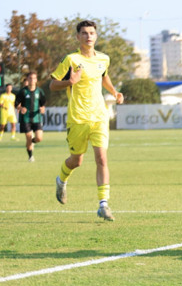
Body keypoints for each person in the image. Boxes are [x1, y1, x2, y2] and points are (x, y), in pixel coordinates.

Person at [50, 20, 125, 220]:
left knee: (102, 158)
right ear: (78, 37)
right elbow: (52, 85)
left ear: (96, 36)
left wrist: (115, 92)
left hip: (99, 116)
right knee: (77, 161)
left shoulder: (104, 59)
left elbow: (104, 77)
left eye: (91, 33)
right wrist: (69, 81)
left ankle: (103, 204)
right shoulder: (71, 59)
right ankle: (61, 180)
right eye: (84, 33)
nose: (88, 36)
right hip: (78, 118)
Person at [16, 71, 47, 162]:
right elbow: (16, 104)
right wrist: (21, 108)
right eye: (30, 78)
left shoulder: (39, 91)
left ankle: (31, 142)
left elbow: (43, 104)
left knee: (39, 138)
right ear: (27, 79)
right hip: (26, 118)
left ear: (36, 80)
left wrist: (42, 108)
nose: (32, 80)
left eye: (34, 78)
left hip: (36, 117)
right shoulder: (23, 91)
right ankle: (30, 157)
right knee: (28, 137)